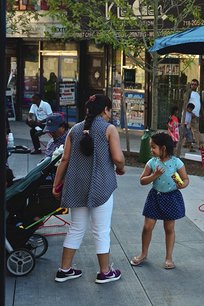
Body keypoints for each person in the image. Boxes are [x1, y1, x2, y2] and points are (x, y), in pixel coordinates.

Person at [52, 94, 125, 283]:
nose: (110, 114)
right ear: (105, 110)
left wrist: (56, 184)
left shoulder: (74, 130)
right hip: (101, 186)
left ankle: (64, 270)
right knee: (101, 230)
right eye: (110, 110)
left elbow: (65, 159)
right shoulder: (109, 129)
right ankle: (105, 272)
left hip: (76, 186)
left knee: (76, 228)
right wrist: (121, 168)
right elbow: (118, 158)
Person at [130, 133, 189, 270]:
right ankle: (143, 254)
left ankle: (169, 258)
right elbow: (142, 180)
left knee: (169, 228)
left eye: (153, 147)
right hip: (155, 196)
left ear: (163, 148)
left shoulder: (176, 162)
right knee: (147, 227)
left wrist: (182, 184)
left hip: (171, 197)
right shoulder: (152, 162)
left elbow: (186, 179)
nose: (151, 150)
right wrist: (154, 175)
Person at [182, 79, 201, 149]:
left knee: (188, 129)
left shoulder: (197, 94)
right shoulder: (188, 93)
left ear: (197, 85)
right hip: (189, 114)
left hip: (195, 114)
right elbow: (185, 104)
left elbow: (198, 103)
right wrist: (191, 112)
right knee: (195, 130)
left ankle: (186, 142)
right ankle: (201, 144)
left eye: (195, 84)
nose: (193, 86)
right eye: (192, 84)